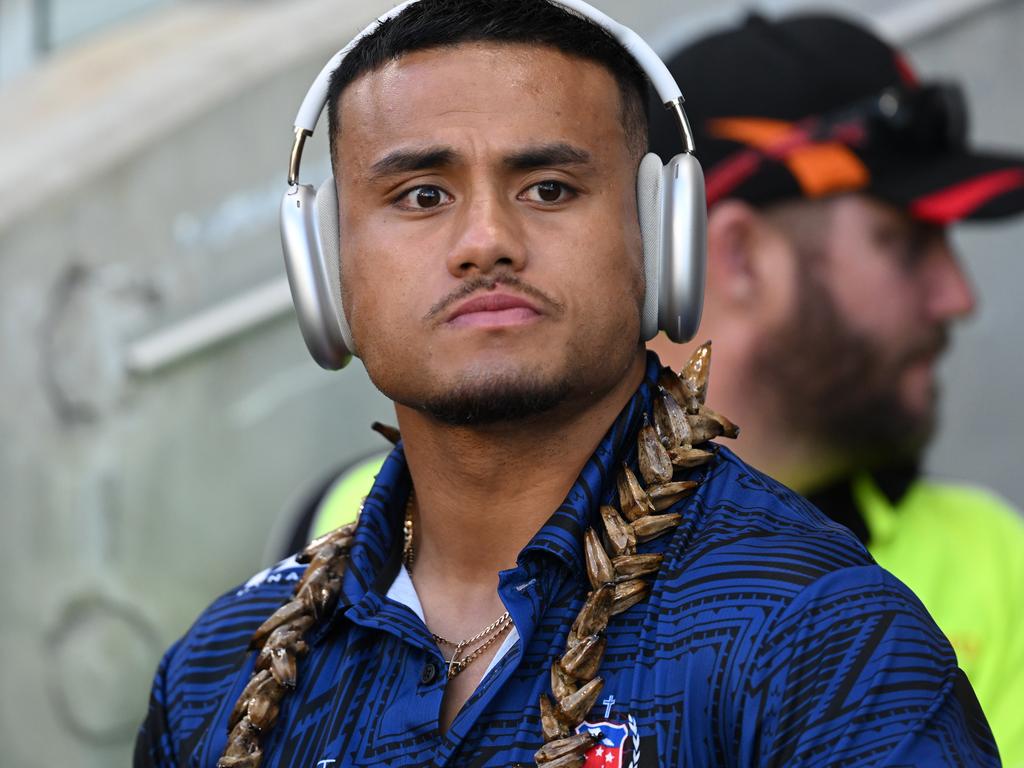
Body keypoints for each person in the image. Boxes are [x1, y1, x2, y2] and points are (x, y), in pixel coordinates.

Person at [136, 2, 998, 766]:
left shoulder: (820, 636)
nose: (485, 240)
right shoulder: (213, 673)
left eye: (549, 188)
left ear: (660, 247)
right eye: (422, 194)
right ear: (327, 269)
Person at [647, 12, 1024, 766]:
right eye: (909, 243)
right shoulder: (380, 528)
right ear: (743, 257)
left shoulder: (992, 559)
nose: (959, 297)